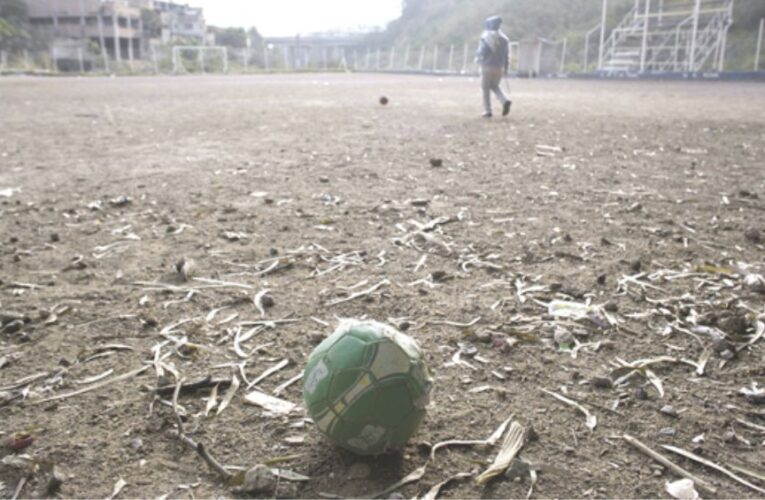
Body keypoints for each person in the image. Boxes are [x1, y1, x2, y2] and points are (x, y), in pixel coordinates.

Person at [476, 15, 512, 118]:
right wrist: (506, 68)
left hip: (487, 66)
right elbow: (506, 55)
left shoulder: (486, 37)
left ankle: (487, 110)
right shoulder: (505, 39)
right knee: (495, 86)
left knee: (485, 88)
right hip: (499, 67)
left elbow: (482, 51)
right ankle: (504, 100)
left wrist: (477, 55)